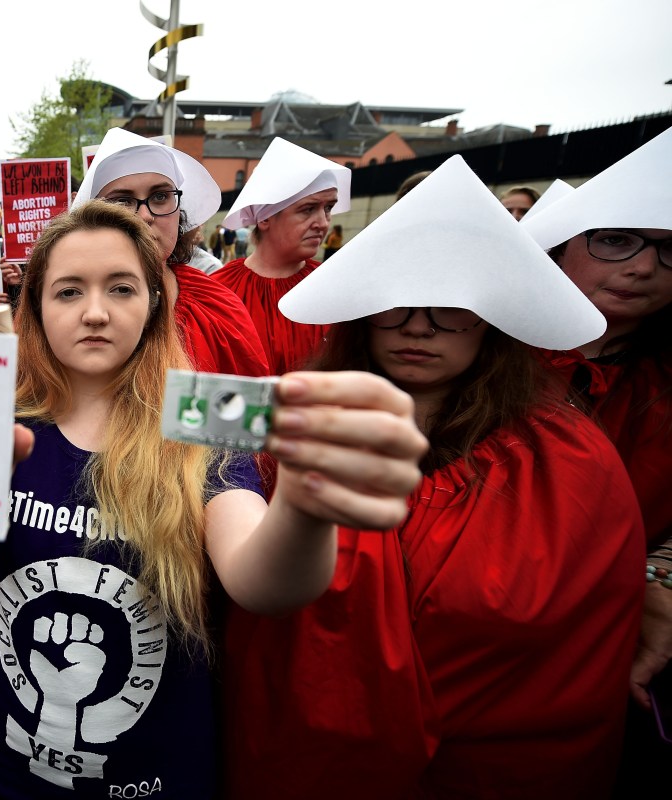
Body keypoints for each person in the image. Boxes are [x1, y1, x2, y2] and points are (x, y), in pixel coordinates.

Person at [0, 200, 428, 798]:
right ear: (35, 310)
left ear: (154, 304)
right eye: (68, 292)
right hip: (0, 767)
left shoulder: (207, 414)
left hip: (156, 779)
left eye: (120, 288)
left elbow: (262, 583)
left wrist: (305, 503)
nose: (95, 312)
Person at [225, 156, 644, 799]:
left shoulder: (567, 458)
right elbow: (168, 436)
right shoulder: (294, 417)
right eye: (396, 305)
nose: (419, 326)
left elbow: (566, 647)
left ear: (493, 319)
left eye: (452, 308)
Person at [522, 126, 672, 794]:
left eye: (669, 252)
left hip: (610, 651)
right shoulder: (485, 358)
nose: (642, 267)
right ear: (563, 247)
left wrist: (663, 575)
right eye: (616, 240)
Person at [74, 127, 269, 377]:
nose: (145, 215)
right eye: (123, 201)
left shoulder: (215, 304)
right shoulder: (61, 303)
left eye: (160, 197)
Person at [213, 137, 352, 376]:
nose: (323, 222)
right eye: (308, 209)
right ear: (265, 218)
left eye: (328, 208)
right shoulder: (219, 291)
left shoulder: (335, 288)